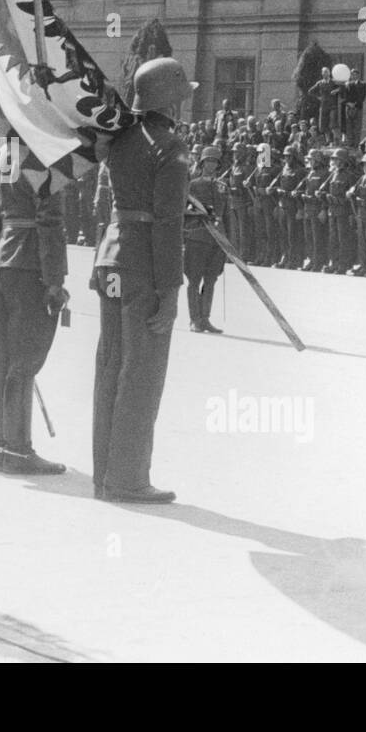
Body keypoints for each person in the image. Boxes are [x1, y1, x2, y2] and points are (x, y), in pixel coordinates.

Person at [92, 57, 195, 504]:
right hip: (145, 268)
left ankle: (103, 475)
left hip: (112, 259)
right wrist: (172, 292)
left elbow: (112, 204)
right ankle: (129, 478)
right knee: (142, 373)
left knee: (111, 365)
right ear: (170, 98)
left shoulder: (120, 140)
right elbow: (167, 224)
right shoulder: (170, 146)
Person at [0, 102, 68, 476]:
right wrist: (55, 280)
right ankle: (18, 450)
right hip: (29, 264)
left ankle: (2, 446)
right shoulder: (42, 159)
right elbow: (50, 222)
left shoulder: (0, 155)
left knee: (1, 362)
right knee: (24, 362)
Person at [184, 145, 228, 334]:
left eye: (215, 162)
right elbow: (185, 210)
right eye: (208, 161)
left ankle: (205, 318)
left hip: (217, 240)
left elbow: (226, 214)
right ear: (202, 163)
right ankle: (194, 319)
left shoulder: (223, 186)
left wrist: (228, 241)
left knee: (211, 280)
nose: (211, 164)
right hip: (197, 237)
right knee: (194, 280)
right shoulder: (193, 184)